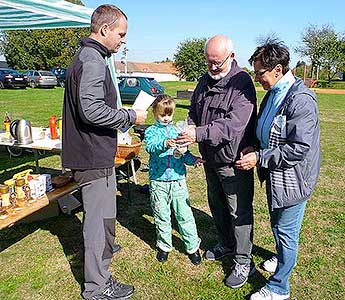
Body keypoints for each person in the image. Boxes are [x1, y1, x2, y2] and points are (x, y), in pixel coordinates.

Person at [62, 5, 147, 300]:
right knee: (99, 225)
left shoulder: (90, 56)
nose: (122, 40)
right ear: (105, 29)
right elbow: (91, 110)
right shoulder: (93, 60)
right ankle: (96, 287)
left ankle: (100, 265)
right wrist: (128, 117)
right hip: (92, 157)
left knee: (103, 221)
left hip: (92, 154)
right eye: (121, 34)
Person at [235, 38, 321, 300]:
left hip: (293, 179)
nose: (257, 78)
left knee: (285, 231)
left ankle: (279, 287)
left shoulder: (301, 100)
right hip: (276, 175)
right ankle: (281, 256)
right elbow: (268, 130)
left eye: (260, 73)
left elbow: (298, 148)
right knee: (279, 225)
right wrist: (254, 147)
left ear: (278, 70)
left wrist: (259, 158)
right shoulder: (273, 94)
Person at [176, 35, 257, 289]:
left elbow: (233, 125)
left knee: (239, 211)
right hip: (210, 159)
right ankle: (226, 244)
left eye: (217, 63)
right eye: (208, 62)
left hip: (234, 161)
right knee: (218, 206)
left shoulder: (242, 83)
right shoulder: (204, 81)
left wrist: (198, 133)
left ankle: (244, 260)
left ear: (231, 57)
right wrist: (188, 127)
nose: (212, 67)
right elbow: (193, 112)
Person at [144, 94, 204, 265]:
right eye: (162, 114)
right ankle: (164, 246)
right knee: (161, 215)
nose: (166, 118)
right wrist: (164, 143)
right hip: (158, 181)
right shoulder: (151, 131)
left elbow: (183, 154)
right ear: (154, 112)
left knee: (184, 215)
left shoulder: (178, 131)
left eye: (169, 115)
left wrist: (193, 160)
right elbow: (150, 147)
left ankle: (192, 247)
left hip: (178, 181)